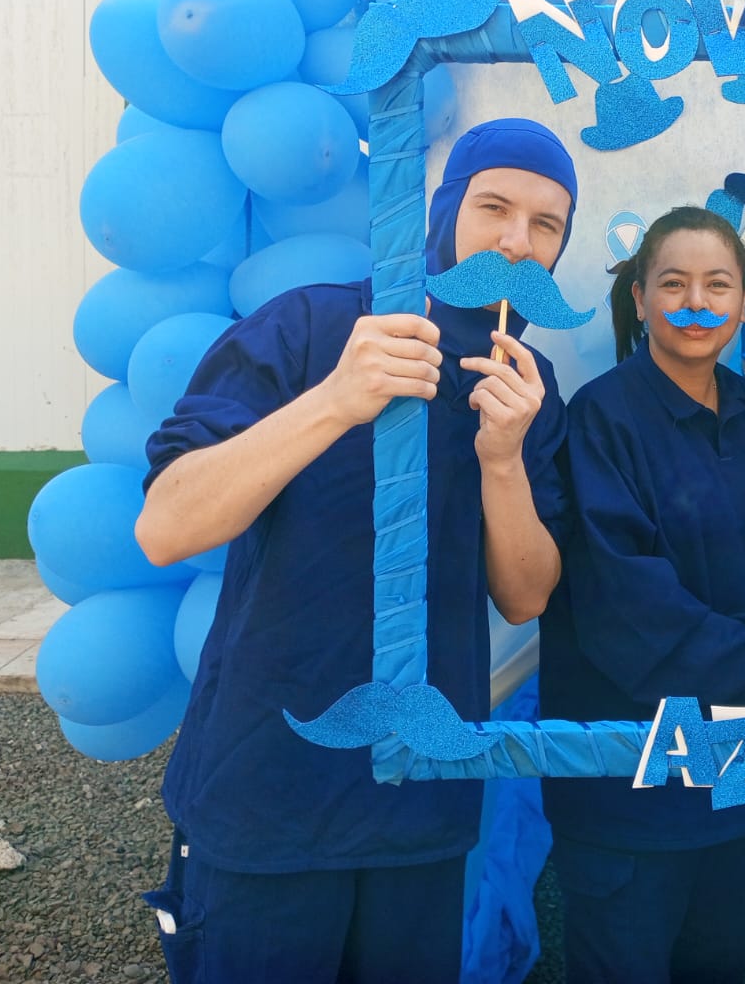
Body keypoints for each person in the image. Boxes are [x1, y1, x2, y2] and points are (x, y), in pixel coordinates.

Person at [133, 118, 578, 983]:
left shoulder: (529, 387)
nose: (517, 243)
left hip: (422, 807)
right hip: (265, 797)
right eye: (494, 207)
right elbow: (166, 527)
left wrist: (502, 462)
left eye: (547, 224)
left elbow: (526, 596)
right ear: (445, 209)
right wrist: (336, 399)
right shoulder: (311, 323)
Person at [538, 205, 745, 984]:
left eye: (717, 284)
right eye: (673, 284)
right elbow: (617, 596)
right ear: (640, 298)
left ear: (744, 301)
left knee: (716, 961)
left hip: (738, 763)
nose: (696, 302)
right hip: (632, 781)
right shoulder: (602, 417)